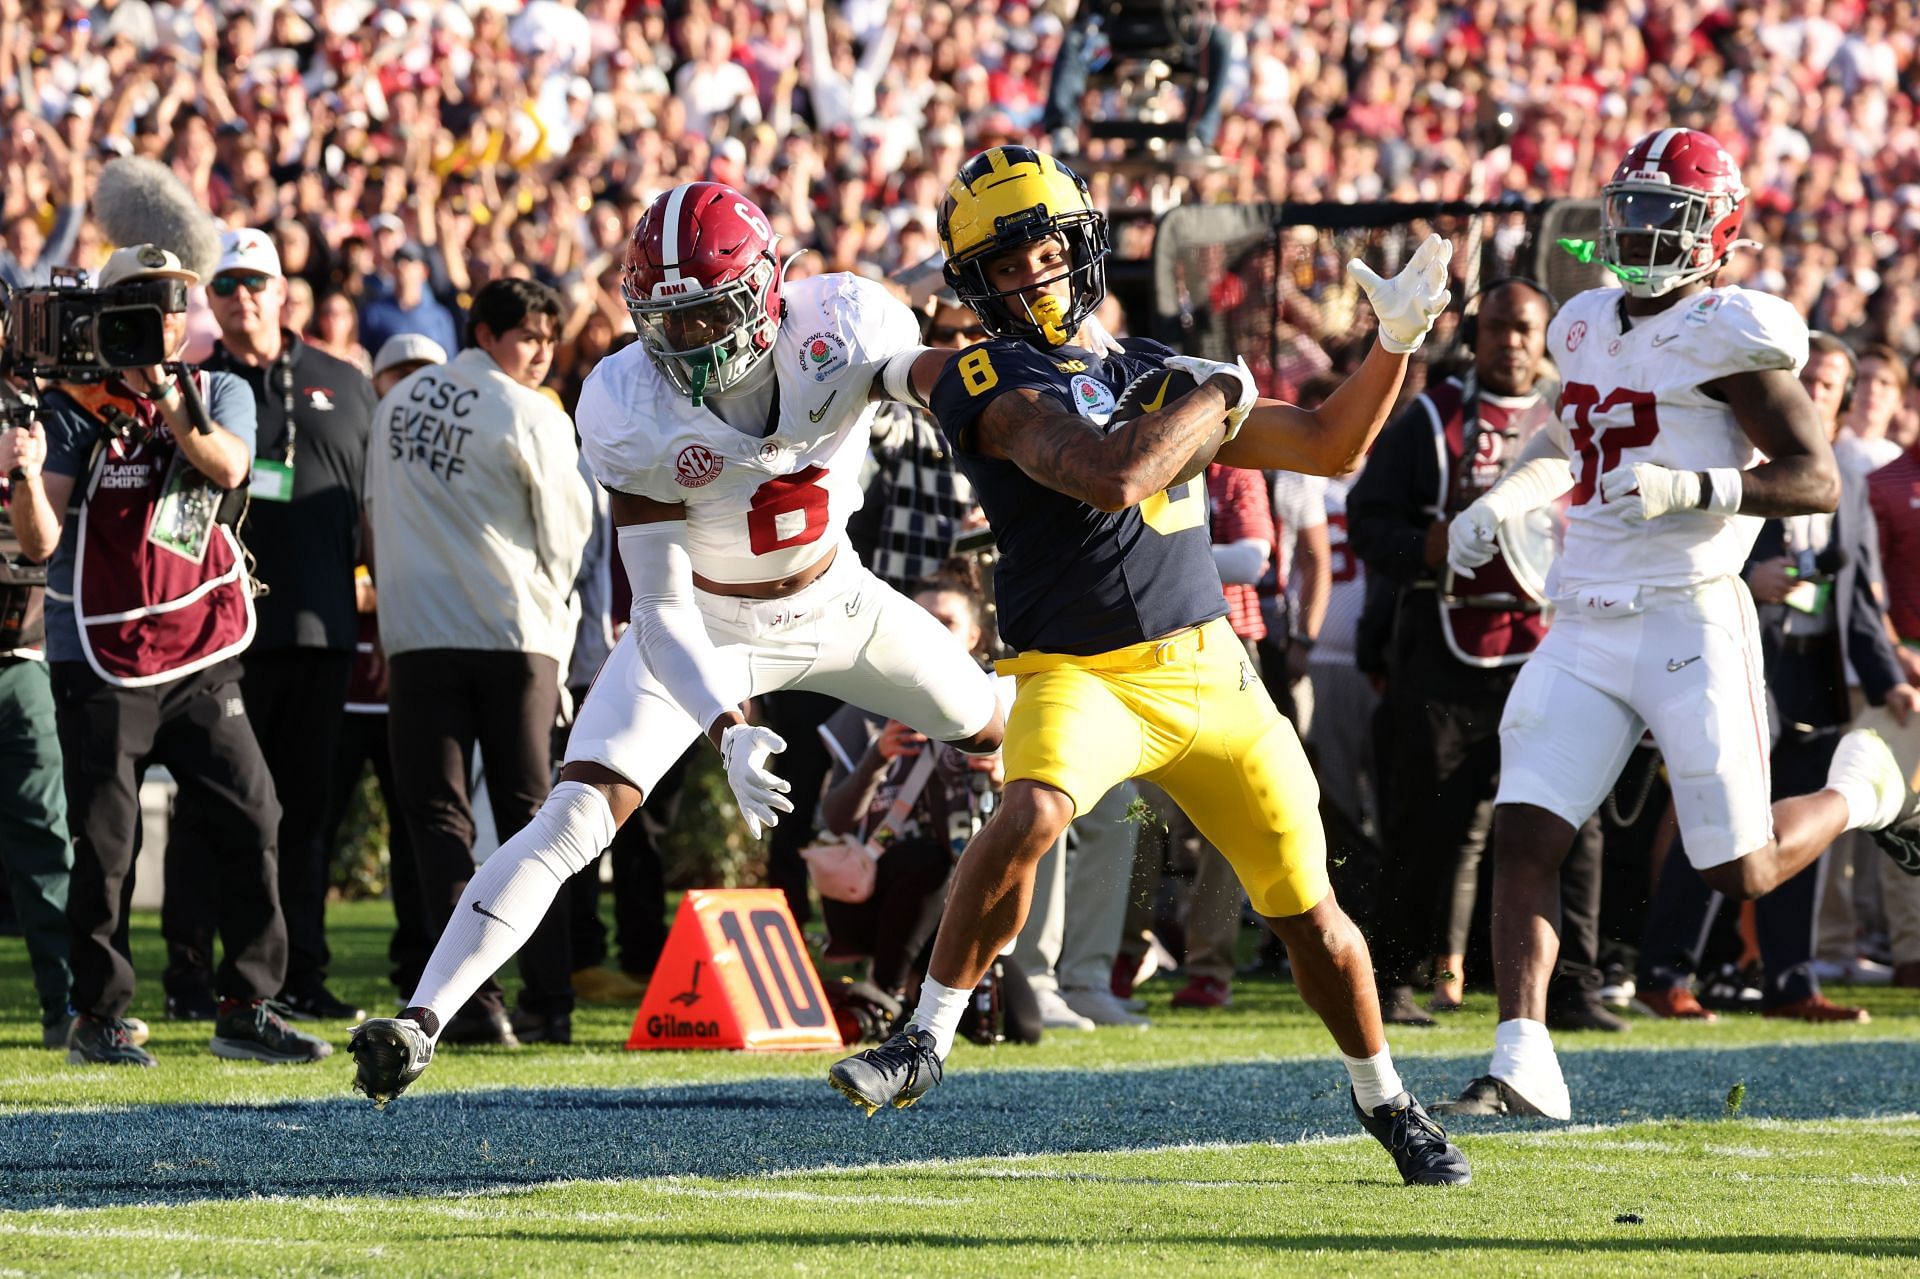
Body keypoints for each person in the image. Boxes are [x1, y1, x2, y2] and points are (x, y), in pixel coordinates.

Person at [827, 146, 1468, 1186]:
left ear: (1077, 247)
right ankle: (925, 1037)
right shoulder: (990, 375)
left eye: (1040, 248)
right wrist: (1213, 393)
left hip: (1210, 669)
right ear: (971, 283)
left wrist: (1394, 343)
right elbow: (1111, 474)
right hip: (1077, 674)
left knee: (1311, 914)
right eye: (1000, 263)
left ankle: (1387, 1099)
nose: (1027, 273)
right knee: (1032, 808)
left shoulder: (1156, 370)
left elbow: (1327, 445)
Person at [346, 181, 1006, 1104]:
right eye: (669, 321)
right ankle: (421, 1019)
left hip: (842, 600)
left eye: (709, 314)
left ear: (771, 288)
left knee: (997, 726)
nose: (689, 342)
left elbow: (934, 378)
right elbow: (656, 606)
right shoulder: (628, 400)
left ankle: (1124, 780)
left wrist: (1006, 410)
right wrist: (728, 726)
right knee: (574, 816)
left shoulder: (845, 320)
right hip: (709, 623)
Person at [1433, 129, 1920, 1121]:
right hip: (1584, 614)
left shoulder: (1729, 331)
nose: (1644, 230)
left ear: (1719, 229)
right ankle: (1524, 1057)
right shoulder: (1580, 321)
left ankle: (1867, 786)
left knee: (1735, 865)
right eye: (1634, 208)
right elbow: (1569, 437)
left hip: (1689, 614)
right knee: (1526, 827)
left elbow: (1815, 474)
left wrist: (1696, 484)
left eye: (1669, 213)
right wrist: (1510, 495)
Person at [8, 244, 329, 1067]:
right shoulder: (74, 405)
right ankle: (98, 1014)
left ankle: (247, 1003)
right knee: (108, 844)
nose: (166, 318)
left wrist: (167, 398)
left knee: (254, 813)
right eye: (145, 303)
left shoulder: (217, 387)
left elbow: (227, 466)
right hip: (103, 655)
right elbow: (43, 542)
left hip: (200, 645)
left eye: (175, 301)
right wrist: (23, 474)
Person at [1347, 278, 1618, 1033]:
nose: (1510, 343)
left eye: (1524, 329)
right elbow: (1369, 521)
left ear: (1547, 337)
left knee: (1574, 820)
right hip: (1444, 650)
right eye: (1496, 328)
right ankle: (1395, 978)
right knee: (1424, 824)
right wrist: (1423, 548)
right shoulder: (1430, 419)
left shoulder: (1582, 415)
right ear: (1475, 338)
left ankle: (1574, 987)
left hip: (1556, 647)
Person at [1633, 331, 1918, 1025]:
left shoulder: (1841, 480)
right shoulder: (1738, 459)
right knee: (1721, 819)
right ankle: (1665, 972)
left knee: (1801, 830)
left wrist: (1888, 683)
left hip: (1813, 678)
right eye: (1808, 379)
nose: (1816, 392)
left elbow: (1851, 600)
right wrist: (1747, 578)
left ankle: (1790, 981)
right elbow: (1678, 553)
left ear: (1844, 402)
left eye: (1829, 385)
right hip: (1739, 656)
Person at [362, 277, 592, 1048]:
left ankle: (474, 1000)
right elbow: (567, 536)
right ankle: (546, 997)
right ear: (486, 333)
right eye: (529, 336)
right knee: (538, 818)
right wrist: (554, 616)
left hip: (420, 635)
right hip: (516, 635)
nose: (541, 353)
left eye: (549, 340)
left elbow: (373, 517)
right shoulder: (533, 412)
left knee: (439, 819)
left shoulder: (396, 403)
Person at [202, 226, 376, 1022]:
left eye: (255, 283)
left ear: (282, 293)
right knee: (227, 808)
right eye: (227, 285)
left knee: (304, 813)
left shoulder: (344, 380)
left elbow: (378, 512)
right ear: (212, 299)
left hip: (319, 629)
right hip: (215, 636)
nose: (243, 298)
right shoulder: (190, 388)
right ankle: (197, 969)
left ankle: (300, 966)